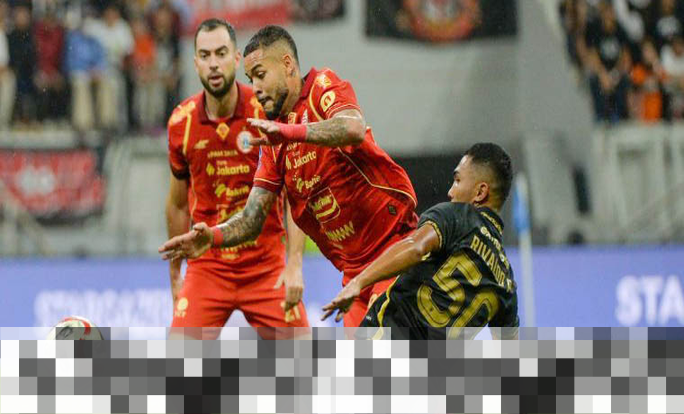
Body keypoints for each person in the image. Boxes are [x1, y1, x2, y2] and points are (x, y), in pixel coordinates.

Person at [159, 25, 419, 329]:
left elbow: (353, 127)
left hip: (394, 251)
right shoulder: (272, 142)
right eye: (251, 79)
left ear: (287, 65)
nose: (256, 88)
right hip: (354, 274)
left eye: (260, 74)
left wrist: (291, 132)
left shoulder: (322, 87)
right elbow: (251, 219)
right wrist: (213, 236)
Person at [164, 19, 309, 340]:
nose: (214, 63)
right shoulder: (181, 124)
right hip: (208, 268)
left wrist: (295, 263)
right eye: (205, 55)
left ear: (236, 58)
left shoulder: (265, 112)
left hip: (266, 265)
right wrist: (175, 274)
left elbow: (294, 192)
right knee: (175, 362)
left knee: (306, 361)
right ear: (195, 63)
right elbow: (177, 205)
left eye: (221, 53)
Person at [322, 143, 519, 340]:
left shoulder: (458, 217)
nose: (451, 192)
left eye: (458, 181)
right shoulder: (506, 282)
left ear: (480, 192)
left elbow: (416, 247)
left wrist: (358, 282)